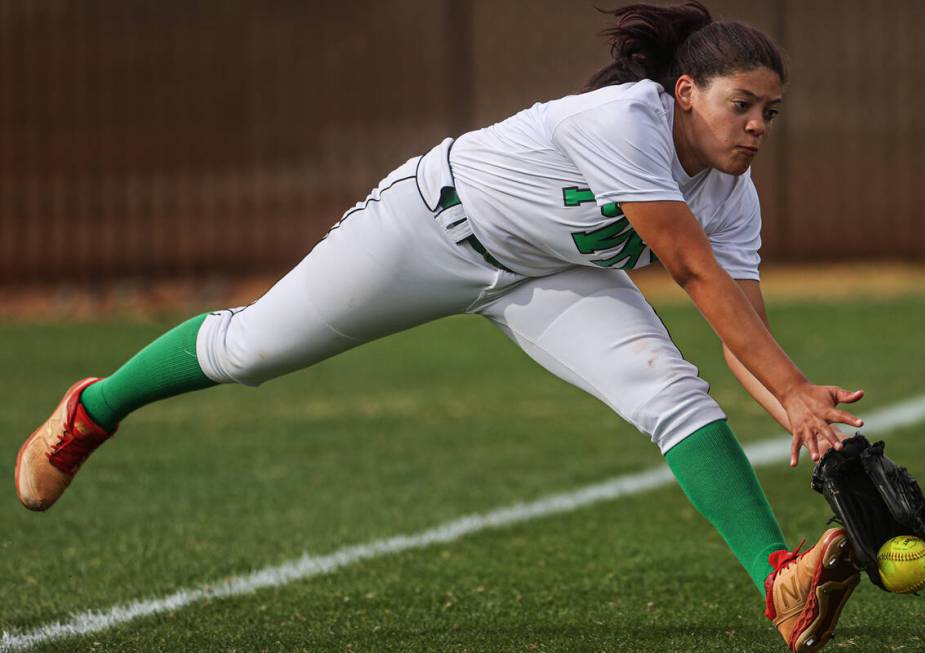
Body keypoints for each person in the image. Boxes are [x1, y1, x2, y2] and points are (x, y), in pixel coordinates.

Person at [16, 2, 865, 651]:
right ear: (685, 93)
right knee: (251, 348)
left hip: (550, 272)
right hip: (430, 227)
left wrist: (800, 409)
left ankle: (778, 581)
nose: (756, 128)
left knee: (670, 390)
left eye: (770, 114)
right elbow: (689, 272)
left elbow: (738, 329)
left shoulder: (732, 194)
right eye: (741, 105)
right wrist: (789, 390)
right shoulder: (626, 121)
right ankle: (93, 410)